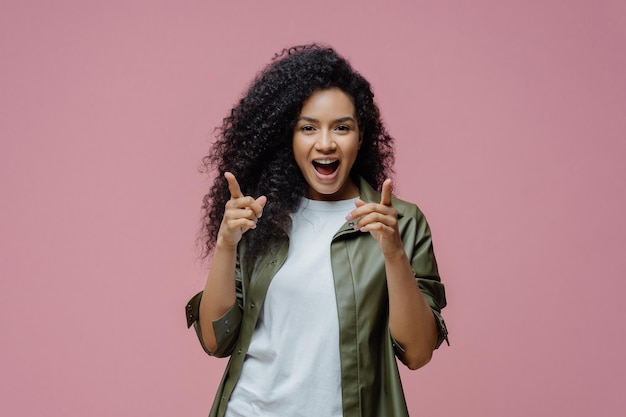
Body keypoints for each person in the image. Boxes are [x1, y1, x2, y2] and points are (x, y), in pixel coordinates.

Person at [185, 44, 448, 417]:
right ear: (288, 138)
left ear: (361, 137)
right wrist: (226, 244)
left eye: (341, 127)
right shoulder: (259, 216)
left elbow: (419, 352)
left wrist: (393, 253)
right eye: (308, 128)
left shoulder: (400, 222)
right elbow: (215, 340)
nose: (325, 143)